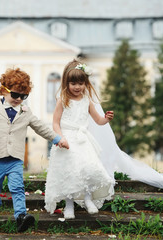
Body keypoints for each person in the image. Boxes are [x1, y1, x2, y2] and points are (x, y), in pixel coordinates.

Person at [0, 68, 69, 232]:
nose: (19, 99)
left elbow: (41, 128)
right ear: (4, 91)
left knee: (17, 188)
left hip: (15, 159)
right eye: (15, 95)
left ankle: (21, 216)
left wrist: (57, 139)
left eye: (23, 96)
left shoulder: (26, 112)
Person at [44, 59, 116, 219]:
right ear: (67, 83)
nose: (77, 87)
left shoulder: (87, 100)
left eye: (81, 83)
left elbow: (98, 120)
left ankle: (88, 198)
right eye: (73, 83)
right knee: (70, 171)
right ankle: (69, 205)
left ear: (86, 83)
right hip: (67, 140)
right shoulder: (63, 100)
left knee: (88, 168)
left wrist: (106, 119)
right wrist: (60, 138)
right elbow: (55, 122)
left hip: (83, 139)